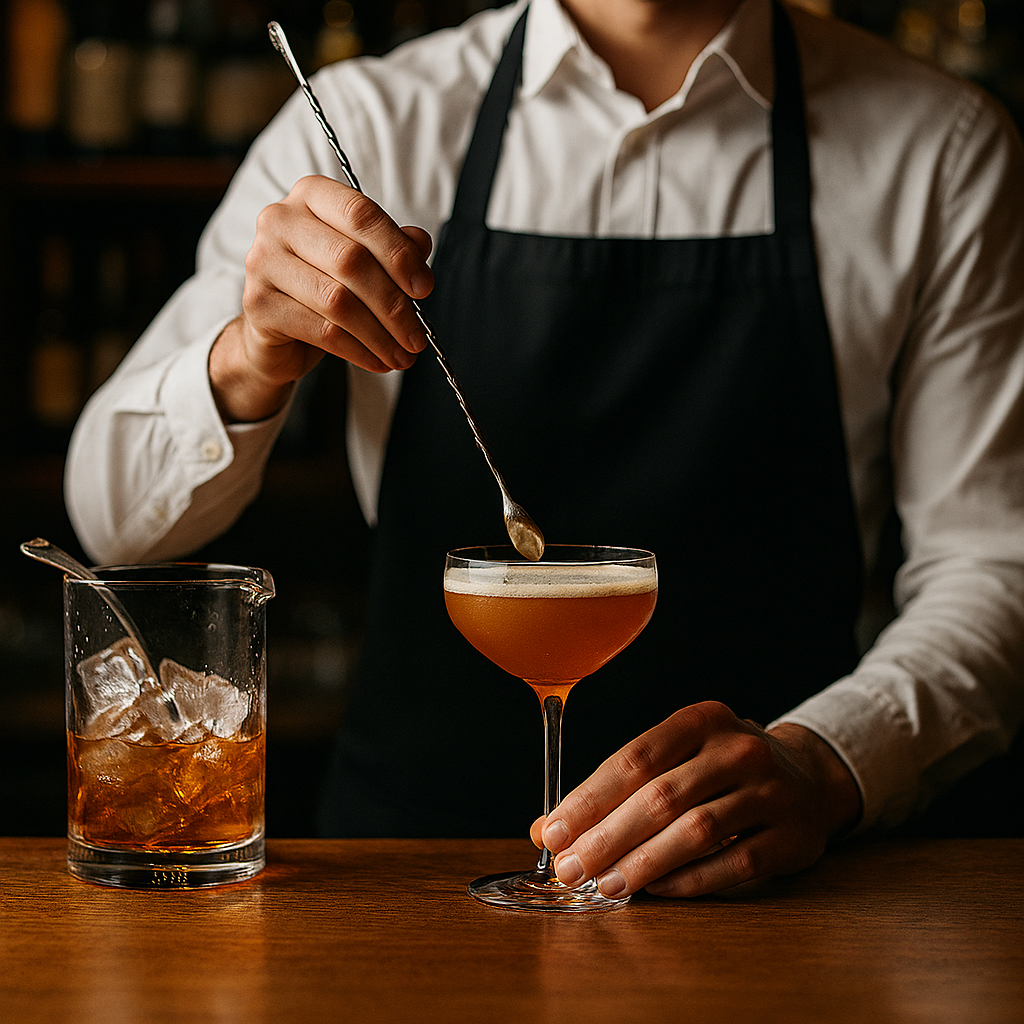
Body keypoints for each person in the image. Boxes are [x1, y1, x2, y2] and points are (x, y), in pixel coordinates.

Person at [65, 0, 1024, 899]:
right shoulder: (368, 120)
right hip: (400, 885)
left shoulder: (939, 149)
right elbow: (117, 526)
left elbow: (992, 568)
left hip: (766, 888)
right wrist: (249, 357)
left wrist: (826, 761)